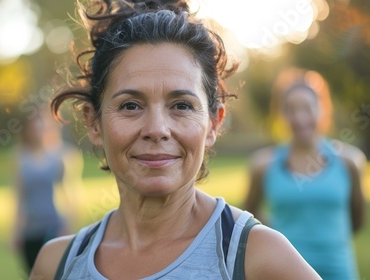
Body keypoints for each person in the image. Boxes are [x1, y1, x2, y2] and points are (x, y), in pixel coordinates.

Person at [31, 1, 320, 279]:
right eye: (131, 105)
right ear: (93, 122)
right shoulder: (57, 264)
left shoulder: (256, 257)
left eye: (181, 105)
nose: (157, 129)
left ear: (212, 123)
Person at [244, 68, 367, 279]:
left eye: (307, 108)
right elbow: (250, 215)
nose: (300, 118)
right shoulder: (263, 165)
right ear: (283, 114)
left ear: (322, 109)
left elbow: (357, 220)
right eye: (292, 110)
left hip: (338, 272)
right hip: (283, 273)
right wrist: (280, 232)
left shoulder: (349, 162)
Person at [11, 111, 73, 274]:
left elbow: (68, 193)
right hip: (30, 229)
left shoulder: (59, 157)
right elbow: (19, 196)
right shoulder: (20, 157)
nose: (38, 132)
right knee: (32, 274)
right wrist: (15, 231)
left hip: (53, 227)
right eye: (34, 128)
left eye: (41, 128)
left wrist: (67, 225)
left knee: (55, 274)